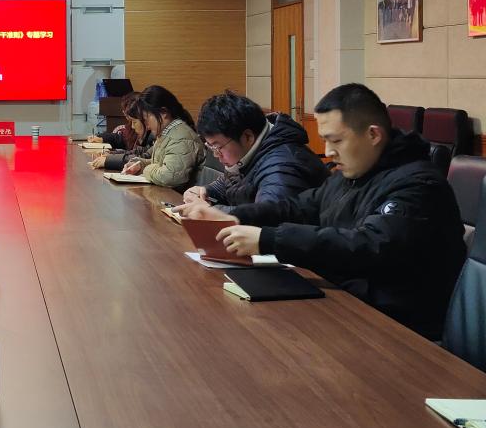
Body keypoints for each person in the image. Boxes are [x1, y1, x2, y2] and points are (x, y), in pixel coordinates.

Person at [187, 83, 465, 339]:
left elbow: (368, 246)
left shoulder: (418, 184)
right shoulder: (352, 173)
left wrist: (267, 239)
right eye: (325, 140)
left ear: (373, 135)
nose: (328, 151)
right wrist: (238, 217)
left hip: (399, 327)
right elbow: (300, 206)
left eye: (337, 141)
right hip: (348, 304)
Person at [176, 91, 328, 218]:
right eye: (211, 147)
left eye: (218, 147)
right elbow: (231, 184)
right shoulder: (252, 151)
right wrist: (204, 191)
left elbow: (268, 219)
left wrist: (210, 211)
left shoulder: (282, 166)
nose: (216, 155)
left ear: (247, 137)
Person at [107, 86, 204, 190]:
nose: (146, 125)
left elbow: (169, 177)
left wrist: (146, 169)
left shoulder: (181, 138)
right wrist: (140, 165)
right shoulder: (167, 133)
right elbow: (161, 164)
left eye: (146, 119)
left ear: (163, 113)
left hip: (178, 197)